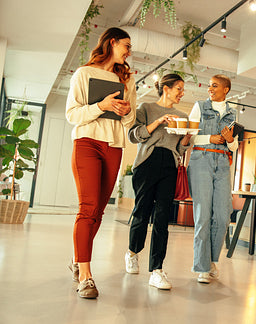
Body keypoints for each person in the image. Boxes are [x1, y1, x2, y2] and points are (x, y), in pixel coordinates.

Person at [66, 27, 136, 298]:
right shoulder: (84, 74)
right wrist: (101, 106)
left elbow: (129, 123)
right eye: (126, 46)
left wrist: (126, 110)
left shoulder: (126, 81)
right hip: (87, 143)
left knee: (98, 212)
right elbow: (72, 115)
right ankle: (85, 275)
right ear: (111, 42)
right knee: (88, 207)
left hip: (114, 146)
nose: (129, 52)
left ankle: (77, 259)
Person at [125, 74, 192, 290]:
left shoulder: (182, 116)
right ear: (166, 88)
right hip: (147, 162)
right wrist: (158, 122)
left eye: (182, 90)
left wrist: (187, 139)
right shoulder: (146, 108)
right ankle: (133, 252)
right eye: (178, 89)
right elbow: (134, 135)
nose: (181, 93)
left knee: (163, 218)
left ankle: (156, 270)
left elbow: (180, 149)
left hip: (169, 164)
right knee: (142, 211)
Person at [187, 74, 238, 284]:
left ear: (226, 89)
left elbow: (234, 147)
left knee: (223, 215)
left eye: (215, 86)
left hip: (223, 164)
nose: (210, 89)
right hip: (201, 159)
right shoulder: (199, 106)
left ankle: (211, 260)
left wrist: (229, 140)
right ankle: (202, 267)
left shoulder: (232, 113)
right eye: (209, 85)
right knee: (203, 216)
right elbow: (189, 135)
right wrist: (210, 138)